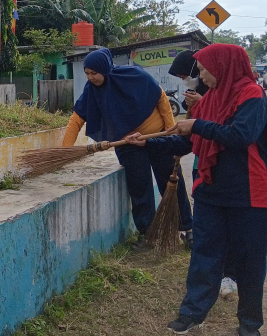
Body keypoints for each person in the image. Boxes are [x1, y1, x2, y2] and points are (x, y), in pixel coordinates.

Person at [126, 44, 267, 336]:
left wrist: (197, 125)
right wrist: (149, 142)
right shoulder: (210, 100)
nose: (200, 75)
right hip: (210, 190)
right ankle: (192, 313)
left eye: (203, 69)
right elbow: (188, 143)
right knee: (204, 253)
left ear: (222, 66)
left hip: (249, 193)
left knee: (249, 259)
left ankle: (249, 324)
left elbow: (241, 135)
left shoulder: (252, 95)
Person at [62, 48, 193, 241]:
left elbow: (161, 98)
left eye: (94, 73)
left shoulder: (134, 76)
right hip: (128, 143)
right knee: (139, 187)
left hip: (157, 138)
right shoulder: (92, 91)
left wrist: (170, 133)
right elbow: (76, 119)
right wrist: (66, 151)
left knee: (172, 181)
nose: (90, 78)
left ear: (105, 68)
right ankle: (148, 233)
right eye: (87, 74)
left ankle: (187, 228)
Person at [170, 50, 238, 297]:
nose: (192, 78)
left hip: (230, 175)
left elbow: (233, 133)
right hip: (203, 166)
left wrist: (200, 112)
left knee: (229, 227)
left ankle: (230, 274)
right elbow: (192, 134)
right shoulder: (205, 96)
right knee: (209, 229)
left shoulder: (243, 98)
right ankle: (210, 278)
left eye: (198, 71)